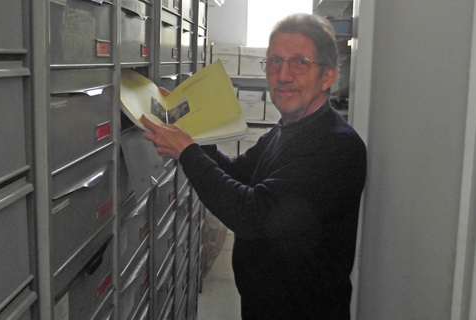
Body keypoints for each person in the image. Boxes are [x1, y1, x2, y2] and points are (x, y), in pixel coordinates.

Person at [141, 13, 367, 320]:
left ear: (327, 76)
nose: (283, 75)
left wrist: (187, 152)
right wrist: (189, 131)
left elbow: (253, 215)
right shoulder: (287, 129)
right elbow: (237, 173)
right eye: (274, 61)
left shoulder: (336, 146)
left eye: (299, 62)